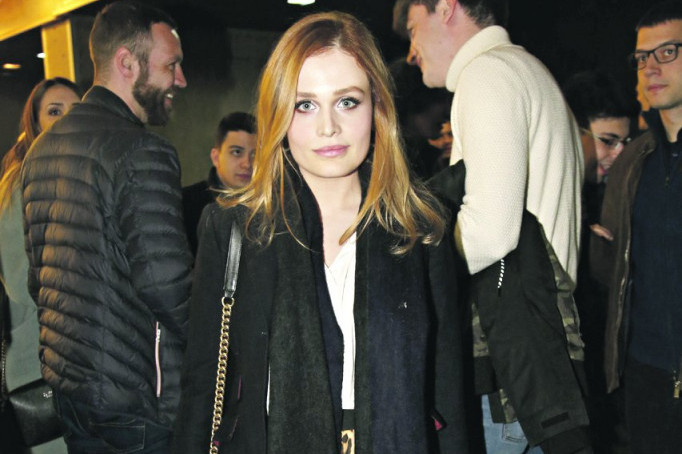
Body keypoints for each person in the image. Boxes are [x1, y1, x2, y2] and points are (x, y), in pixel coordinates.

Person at [172, 11, 468, 454]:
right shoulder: (235, 229)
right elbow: (203, 384)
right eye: (305, 105)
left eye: (347, 101)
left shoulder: (420, 228)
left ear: (377, 108)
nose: (328, 127)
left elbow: (447, 389)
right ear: (278, 114)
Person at [393, 0, 591, 452]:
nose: (411, 52)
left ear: (446, 8)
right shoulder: (527, 70)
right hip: (539, 348)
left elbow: (491, 233)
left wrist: (406, 269)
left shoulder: (487, 74)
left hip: (510, 354)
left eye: (413, 29)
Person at [20, 2, 192, 453]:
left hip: (71, 391)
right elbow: (168, 288)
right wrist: (226, 349)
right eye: (171, 65)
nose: (180, 80)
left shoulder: (40, 151)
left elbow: (39, 280)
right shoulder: (142, 151)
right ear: (127, 63)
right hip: (137, 404)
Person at [590, 2, 682, 453]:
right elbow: (616, 276)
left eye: (667, 52)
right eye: (642, 57)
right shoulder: (632, 162)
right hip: (645, 374)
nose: (650, 67)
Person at [0, 77, 80, 454]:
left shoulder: (66, 179)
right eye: (54, 111)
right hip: (39, 360)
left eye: (75, 111)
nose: (66, 120)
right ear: (35, 123)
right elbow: (22, 282)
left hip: (63, 357)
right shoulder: (22, 183)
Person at [562, 70, 637, 454]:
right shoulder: (557, 196)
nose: (618, 154)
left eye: (625, 142)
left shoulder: (617, 191)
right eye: (608, 141)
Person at [182, 112, 256, 255]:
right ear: (216, 157)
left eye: (255, 154)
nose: (247, 164)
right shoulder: (185, 205)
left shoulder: (269, 208)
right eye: (237, 152)